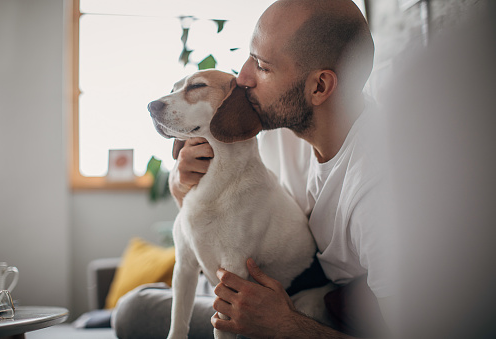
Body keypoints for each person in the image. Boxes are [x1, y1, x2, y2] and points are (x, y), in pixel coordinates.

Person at [113, 0, 393, 338]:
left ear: (318, 87)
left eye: (262, 65)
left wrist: (287, 325)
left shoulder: (380, 189)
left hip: (309, 310)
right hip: (256, 287)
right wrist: (184, 185)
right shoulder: (271, 130)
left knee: (134, 309)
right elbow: (214, 238)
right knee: (143, 302)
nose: (242, 77)